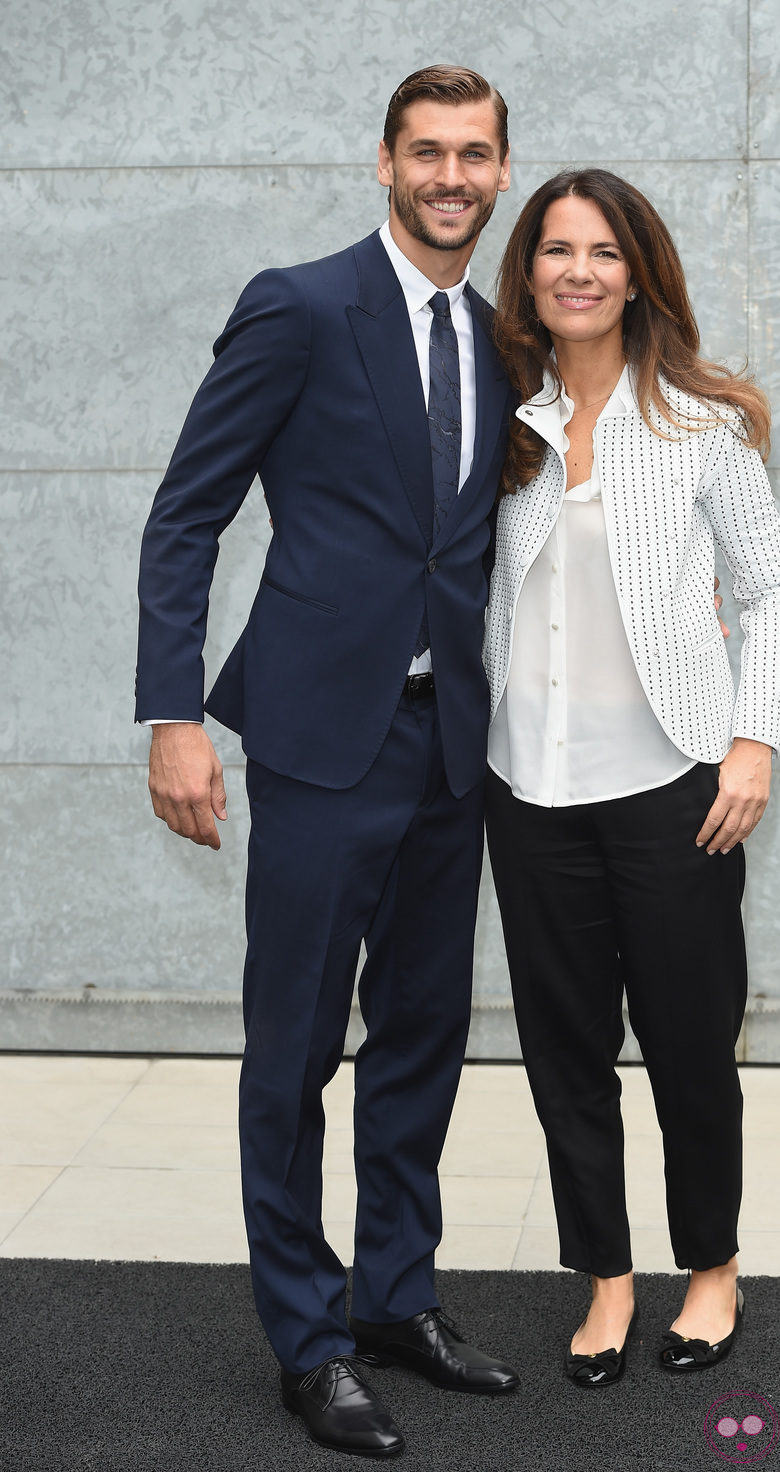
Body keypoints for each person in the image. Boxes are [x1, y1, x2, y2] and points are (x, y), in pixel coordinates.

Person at [136, 65, 520, 1459]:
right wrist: (174, 711)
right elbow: (188, 516)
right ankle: (307, 1338)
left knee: (421, 1037)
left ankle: (394, 1301)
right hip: (313, 743)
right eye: (426, 152)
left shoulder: (497, 337)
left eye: (473, 154)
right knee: (294, 1047)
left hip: (448, 747)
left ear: (500, 170)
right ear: (383, 164)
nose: (450, 177)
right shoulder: (298, 305)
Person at [483, 169, 780, 1385]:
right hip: (527, 788)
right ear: (530, 273)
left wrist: (751, 737)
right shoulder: (497, 424)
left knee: (684, 1040)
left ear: (636, 271)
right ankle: (607, 1277)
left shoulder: (695, 423)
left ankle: (709, 1265)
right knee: (564, 1047)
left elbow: (769, 586)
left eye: (601, 250)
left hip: (675, 782)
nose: (577, 269)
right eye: (555, 249)